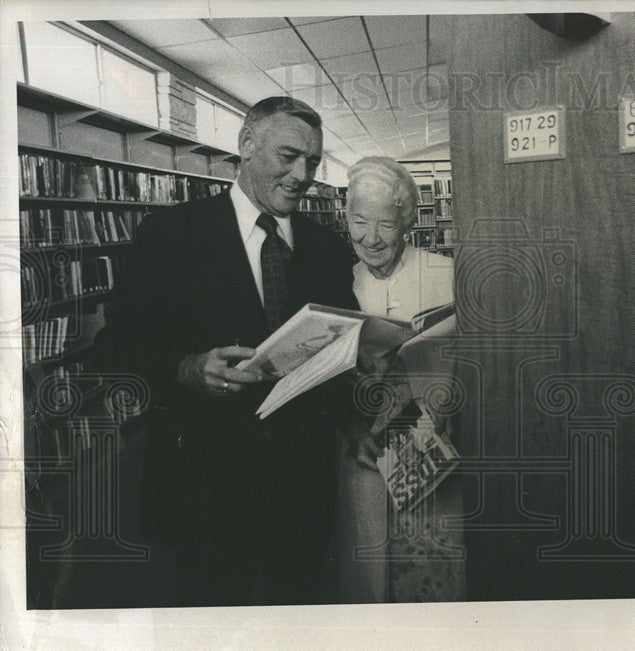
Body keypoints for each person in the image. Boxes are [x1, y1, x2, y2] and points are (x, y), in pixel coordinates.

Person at [99, 96, 358, 606]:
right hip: (207, 482)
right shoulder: (171, 235)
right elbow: (116, 347)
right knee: (212, 628)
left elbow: (342, 349)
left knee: (297, 623)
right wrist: (184, 367)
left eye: (312, 162)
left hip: (302, 483)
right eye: (288, 156)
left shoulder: (327, 246)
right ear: (246, 145)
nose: (301, 174)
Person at [330, 156, 463, 603]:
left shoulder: (445, 275)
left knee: (428, 562)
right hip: (360, 438)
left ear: (406, 221)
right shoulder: (335, 280)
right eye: (359, 221)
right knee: (366, 562)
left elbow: (470, 361)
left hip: (428, 433)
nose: (370, 238)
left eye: (386, 224)